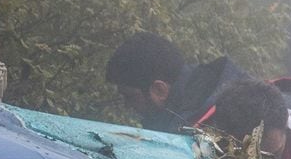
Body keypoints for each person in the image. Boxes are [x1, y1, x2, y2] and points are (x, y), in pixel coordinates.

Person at [105, 32, 251, 131]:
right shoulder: (194, 95)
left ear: (159, 90)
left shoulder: (205, 132)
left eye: (130, 97)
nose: (127, 105)